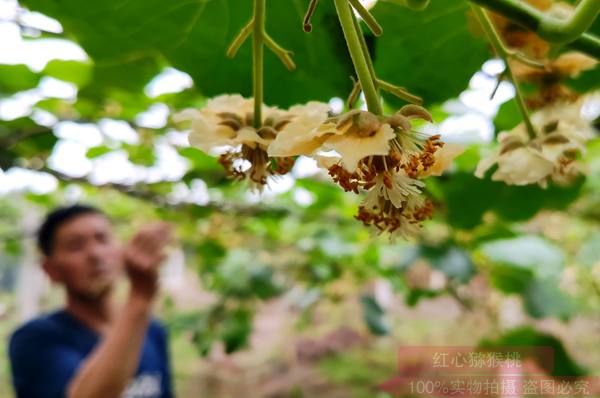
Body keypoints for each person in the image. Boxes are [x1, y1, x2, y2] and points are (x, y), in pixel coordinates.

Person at [8, 204, 175, 398]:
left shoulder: (153, 330)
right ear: (51, 270)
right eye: (75, 245)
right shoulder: (35, 339)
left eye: (103, 239)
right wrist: (139, 299)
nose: (95, 254)